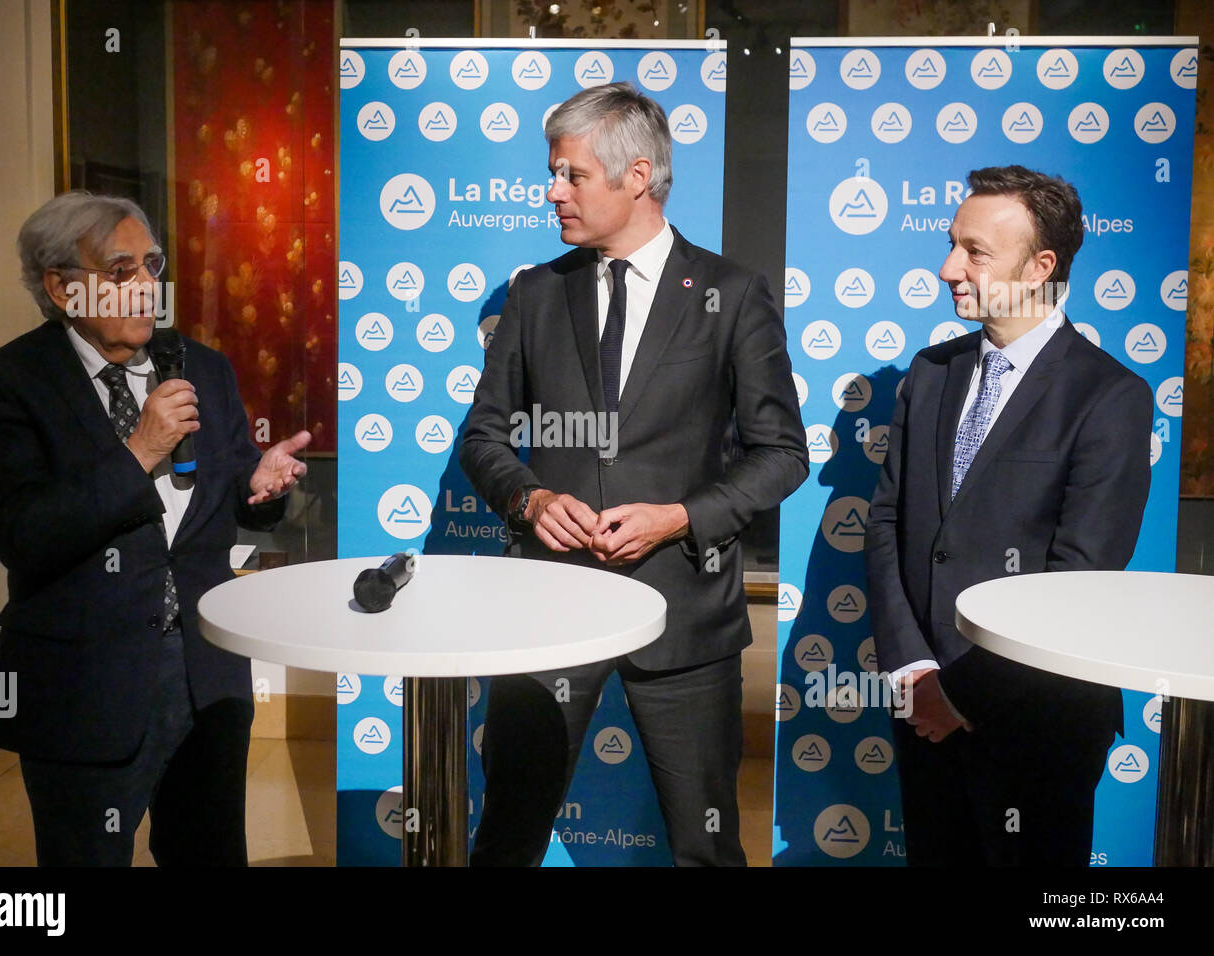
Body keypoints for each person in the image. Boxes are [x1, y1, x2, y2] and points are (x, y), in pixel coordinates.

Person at [460, 82, 808, 866]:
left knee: (704, 846)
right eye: (553, 173)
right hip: (548, 609)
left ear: (638, 175)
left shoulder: (730, 294)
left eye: (572, 175)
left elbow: (782, 454)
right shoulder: (536, 293)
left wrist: (679, 518)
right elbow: (484, 436)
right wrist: (529, 497)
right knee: (507, 839)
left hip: (686, 616)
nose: (553, 192)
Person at [0, 191, 311, 866]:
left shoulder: (202, 366)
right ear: (62, 288)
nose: (149, 284)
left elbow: (232, 492)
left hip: (207, 671)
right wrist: (139, 451)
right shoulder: (6, 384)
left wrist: (260, 488)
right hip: (86, 684)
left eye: (153, 265)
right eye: (121, 271)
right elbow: (22, 534)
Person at [864, 165, 1153, 865]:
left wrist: (959, 695)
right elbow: (887, 523)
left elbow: (1078, 580)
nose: (947, 268)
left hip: (1038, 726)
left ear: (1040, 267)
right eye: (951, 244)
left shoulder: (1109, 396)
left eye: (975, 252)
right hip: (921, 709)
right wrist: (915, 672)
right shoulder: (930, 373)